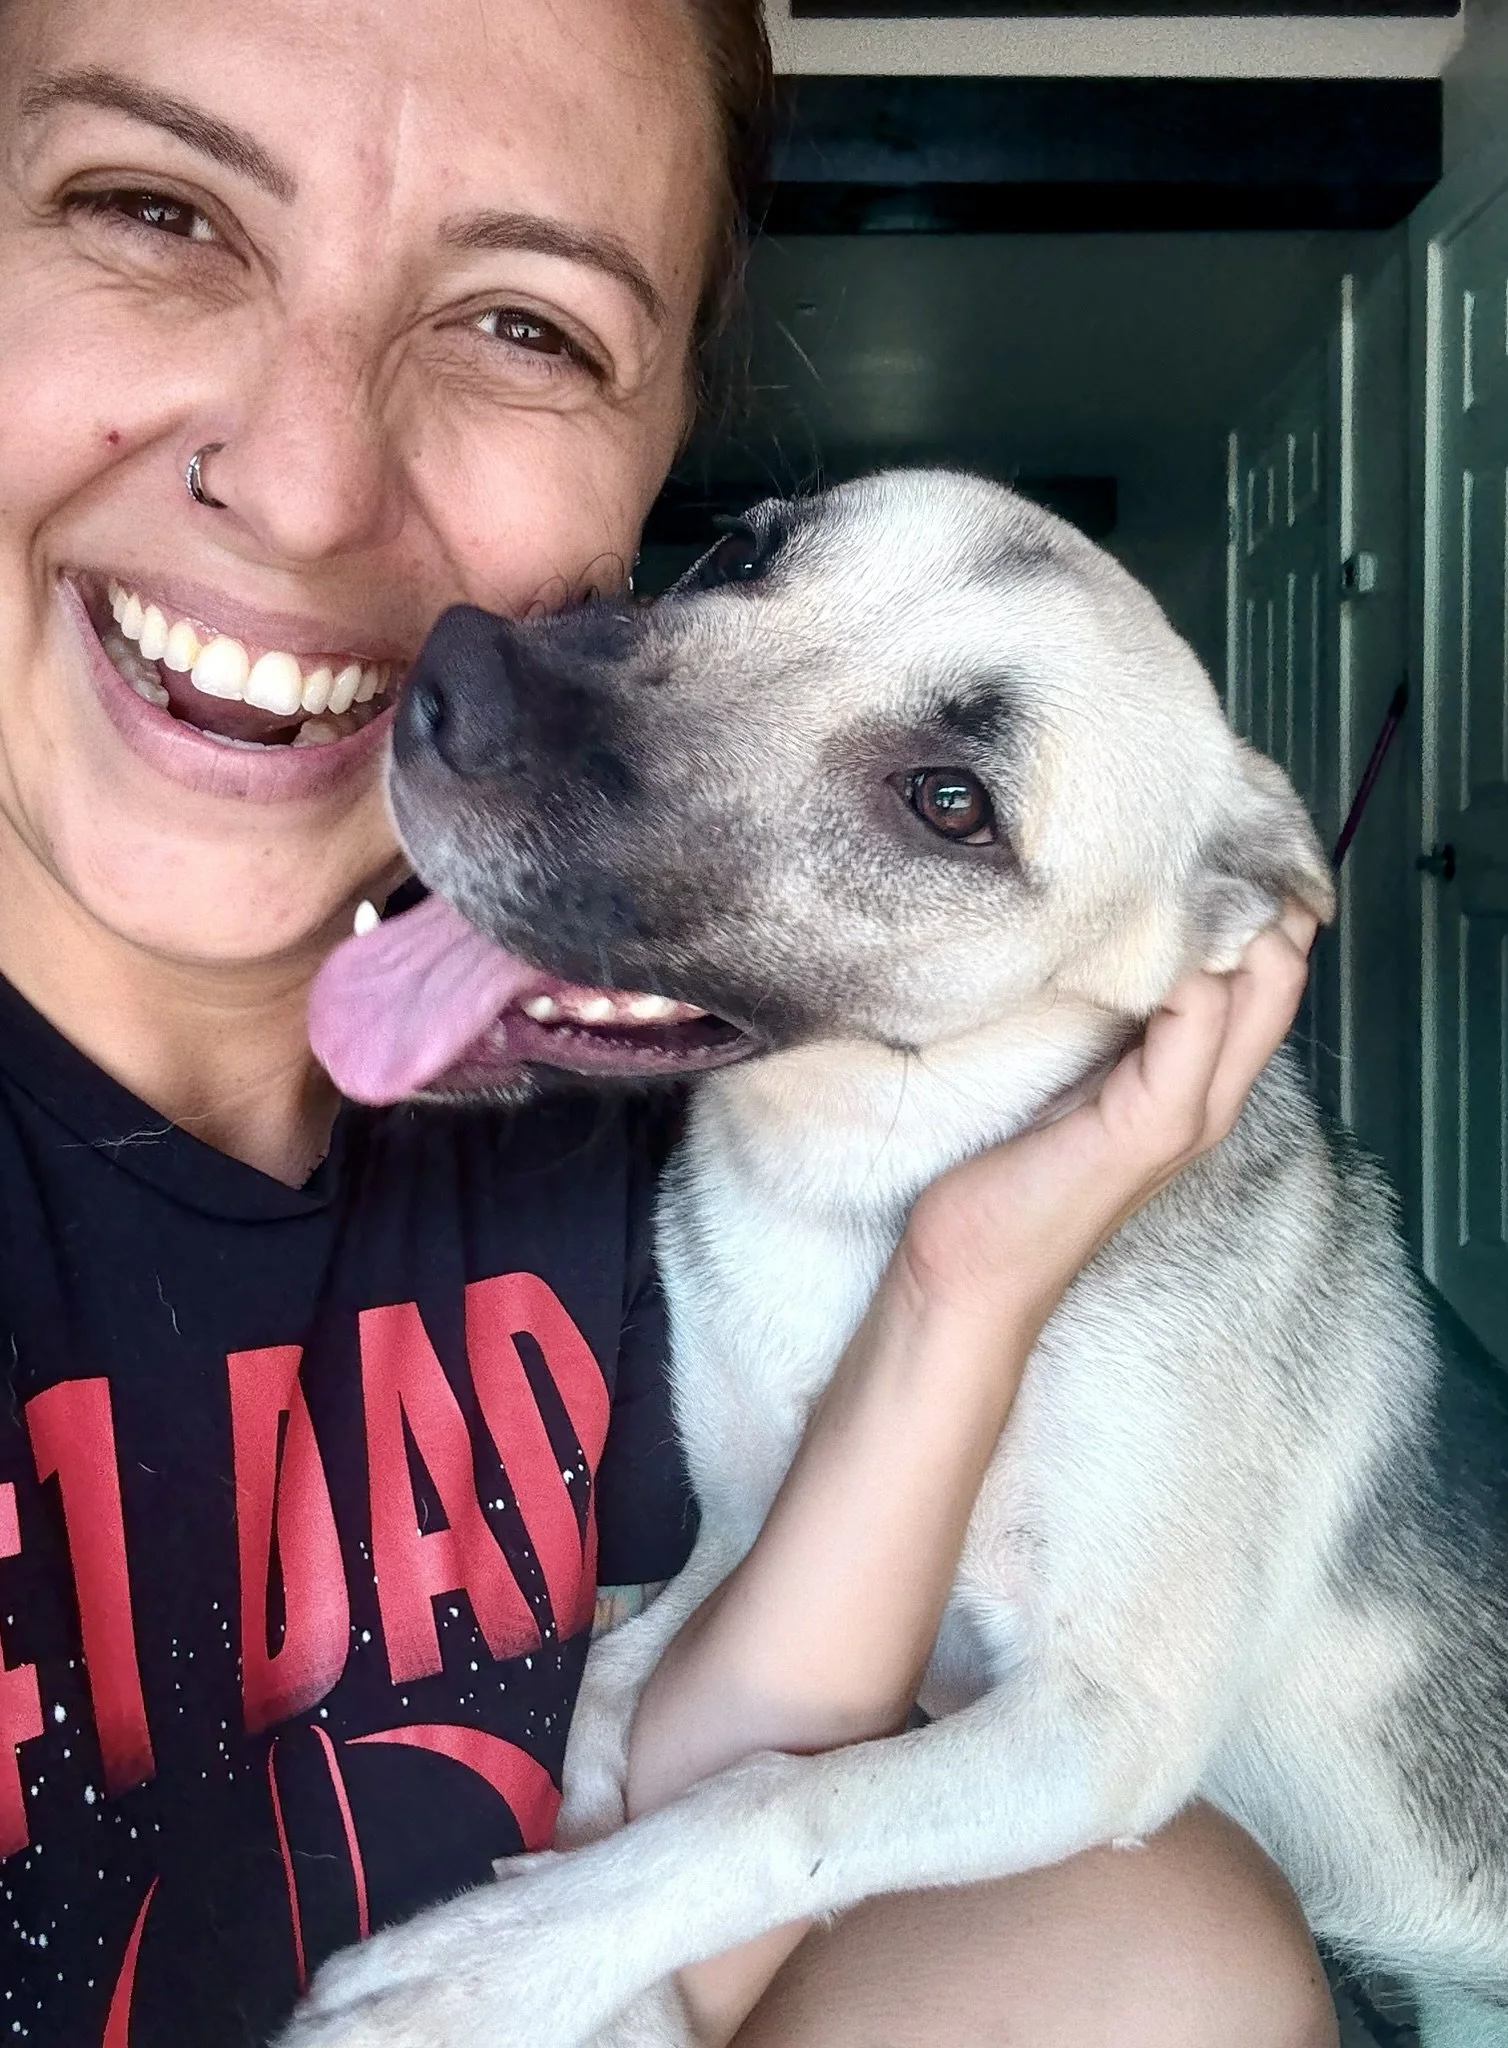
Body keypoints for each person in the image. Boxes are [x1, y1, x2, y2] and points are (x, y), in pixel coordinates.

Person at [0, 1, 1337, 2043]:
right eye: (152, 206)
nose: (304, 482)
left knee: (1178, 1945)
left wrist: (965, 1290)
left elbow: (720, 1825)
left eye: (526, 323)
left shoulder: (612, 1132)